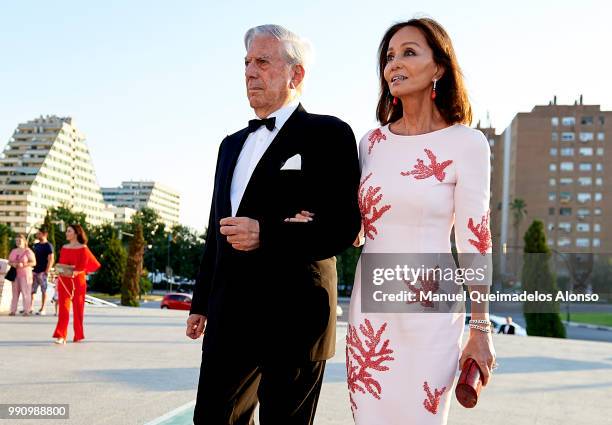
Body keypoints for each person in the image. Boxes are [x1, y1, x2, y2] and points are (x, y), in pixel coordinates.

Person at [291, 18, 497, 424]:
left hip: (432, 310)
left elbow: (476, 238)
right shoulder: (372, 143)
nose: (393, 64)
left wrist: (480, 326)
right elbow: (357, 223)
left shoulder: (466, 144)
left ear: (438, 67)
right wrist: (315, 220)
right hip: (372, 308)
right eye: (388, 56)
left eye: (408, 52)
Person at [186, 24, 361, 425]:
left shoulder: (329, 133)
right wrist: (201, 301)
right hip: (230, 314)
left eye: (262, 62)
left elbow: (342, 225)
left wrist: (267, 232)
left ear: (295, 75)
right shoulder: (230, 145)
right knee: (211, 418)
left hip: (297, 316)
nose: (250, 72)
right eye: (247, 63)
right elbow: (216, 230)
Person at [52, 224, 100, 344]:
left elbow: (88, 265)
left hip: (78, 281)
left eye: (69, 231)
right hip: (64, 280)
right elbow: (62, 264)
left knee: (78, 309)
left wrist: (77, 270)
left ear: (76, 233)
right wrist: (58, 272)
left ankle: (78, 335)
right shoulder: (64, 247)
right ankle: (61, 336)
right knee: (63, 308)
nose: (66, 233)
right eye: (67, 231)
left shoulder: (83, 248)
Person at [8, 234, 36, 316]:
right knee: (14, 293)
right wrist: (13, 264)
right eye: (16, 241)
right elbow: (9, 261)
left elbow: (34, 262)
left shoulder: (28, 251)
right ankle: (13, 310)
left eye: (19, 240)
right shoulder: (13, 251)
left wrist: (23, 264)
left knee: (26, 293)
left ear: (24, 241)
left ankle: (27, 311)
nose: (18, 242)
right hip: (15, 275)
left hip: (25, 275)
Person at [31, 227, 54, 315]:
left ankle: (42, 309)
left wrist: (46, 271)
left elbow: (51, 259)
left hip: (42, 272)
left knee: (43, 290)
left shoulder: (48, 245)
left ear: (44, 234)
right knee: (32, 290)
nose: (37, 235)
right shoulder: (36, 245)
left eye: (39, 233)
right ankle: (30, 307)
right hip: (34, 271)